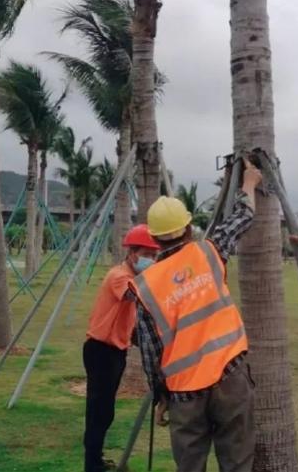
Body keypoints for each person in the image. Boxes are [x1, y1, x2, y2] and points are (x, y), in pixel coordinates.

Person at [130, 159, 262, 472]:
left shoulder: (145, 285)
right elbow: (241, 218)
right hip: (229, 376)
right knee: (238, 462)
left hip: (184, 393)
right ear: (189, 228)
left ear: (155, 237)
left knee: (189, 467)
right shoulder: (209, 251)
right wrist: (249, 184)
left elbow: (151, 352)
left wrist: (161, 396)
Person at [83, 224, 159, 472]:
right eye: (147, 254)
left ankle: (96, 458)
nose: (151, 259)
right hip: (101, 350)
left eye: (154, 255)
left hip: (115, 350)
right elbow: (135, 296)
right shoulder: (120, 276)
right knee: (99, 411)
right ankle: (92, 465)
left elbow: (130, 318)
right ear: (132, 253)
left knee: (104, 411)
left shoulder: (132, 276)